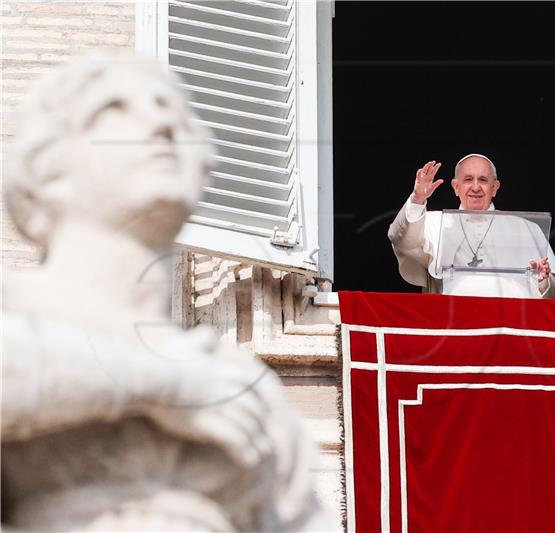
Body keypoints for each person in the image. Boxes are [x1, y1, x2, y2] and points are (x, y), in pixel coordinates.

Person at [2, 54, 335, 532]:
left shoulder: (242, 383)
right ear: (46, 170)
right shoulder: (14, 307)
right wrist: (161, 383)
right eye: (113, 109)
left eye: (173, 112)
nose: (160, 122)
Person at [388, 154, 555, 298]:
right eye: (468, 179)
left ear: (495, 187)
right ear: (456, 187)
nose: (476, 187)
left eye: (483, 180)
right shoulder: (434, 222)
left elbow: (553, 293)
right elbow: (400, 239)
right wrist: (417, 199)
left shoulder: (525, 228)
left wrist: (541, 280)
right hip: (452, 324)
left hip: (510, 324)